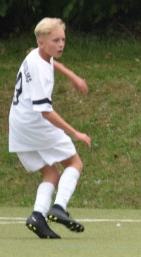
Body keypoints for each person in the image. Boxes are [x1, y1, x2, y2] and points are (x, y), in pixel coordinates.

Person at [9, 18, 92, 239]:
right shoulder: (41, 72)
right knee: (74, 163)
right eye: (56, 40)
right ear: (41, 42)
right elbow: (45, 112)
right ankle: (59, 207)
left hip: (18, 125)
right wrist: (75, 133)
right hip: (35, 124)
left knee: (50, 173)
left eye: (63, 39)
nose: (61, 44)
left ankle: (38, 216)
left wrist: (72, 76)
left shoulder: (35, 55)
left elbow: (51, 61)